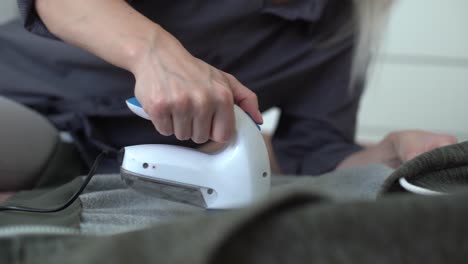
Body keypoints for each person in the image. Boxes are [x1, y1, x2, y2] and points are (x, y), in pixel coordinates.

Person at [0, 0, 457, 190]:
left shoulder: (336, 23)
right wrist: (154, 53)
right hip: (24, 102)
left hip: (107, 172)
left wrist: (387, 157)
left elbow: (314, 153)